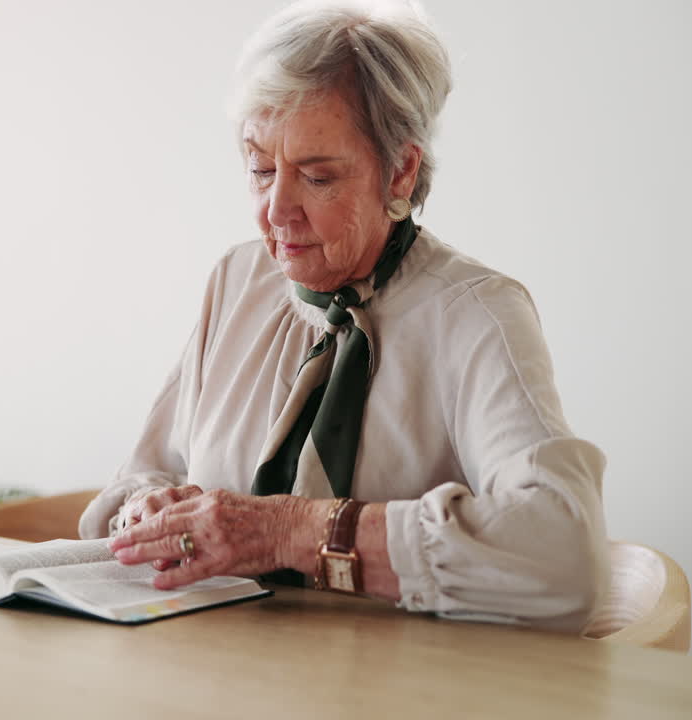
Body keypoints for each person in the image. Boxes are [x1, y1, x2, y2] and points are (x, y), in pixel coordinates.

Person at [78, 0, 609, 632]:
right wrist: (147, 512)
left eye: (317, 176)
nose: (277, 211)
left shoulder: (476, 315)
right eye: (260, 168)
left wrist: (296, 533)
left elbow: (564, 552)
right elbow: (142, 474)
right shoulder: (235, 281)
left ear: (401, 171)